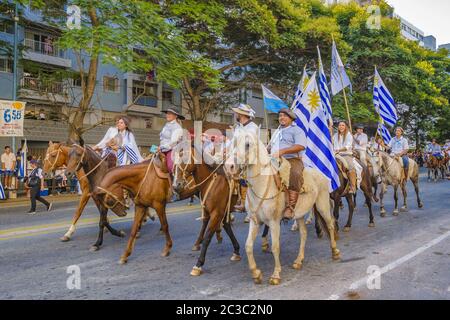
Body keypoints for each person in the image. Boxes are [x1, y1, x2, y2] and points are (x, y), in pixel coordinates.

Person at [269, 108, 306, 220]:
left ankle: (290, 206)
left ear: (291, 118)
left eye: (284, 116)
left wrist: (283, 151)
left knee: (294, 173)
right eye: (280, 116)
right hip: (275, 159)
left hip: (292, 160)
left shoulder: (297, 130)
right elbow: (271, 146)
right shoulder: (277, 131)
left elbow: (300, 145)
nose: (281, 118)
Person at [230, 104, 259, 215]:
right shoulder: (238, 127)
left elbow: (249, 144)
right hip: (237, 157)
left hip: (249, 157)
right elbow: (234, 143)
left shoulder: (253, 127)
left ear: (242, 114)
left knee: (244, 180)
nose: (236, 114)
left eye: (237, 113)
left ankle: (244, 204)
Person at [333, 121, 357, 194]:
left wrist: (338, 150)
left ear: (345, 126)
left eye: (343, 125)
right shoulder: (335, 135)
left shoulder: (349, 135)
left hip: (346, 154)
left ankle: (352, 186)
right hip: (336, 154)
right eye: (340, 125)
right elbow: (332, 143)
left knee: (350, 166)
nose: (341, 126)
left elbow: (348, 146)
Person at [159, 108, 185, 175]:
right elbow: (162, 139)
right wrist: (156, 148)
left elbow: (173, 143)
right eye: (167, 113)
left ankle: (174, 183)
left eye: (170, 114)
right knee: (148, 160)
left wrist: (161, 147)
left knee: (171, 168)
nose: (167, 115)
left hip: (172, 151)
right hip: (162, 149)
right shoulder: (166, 125)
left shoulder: (177, 127)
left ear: (176, 116)